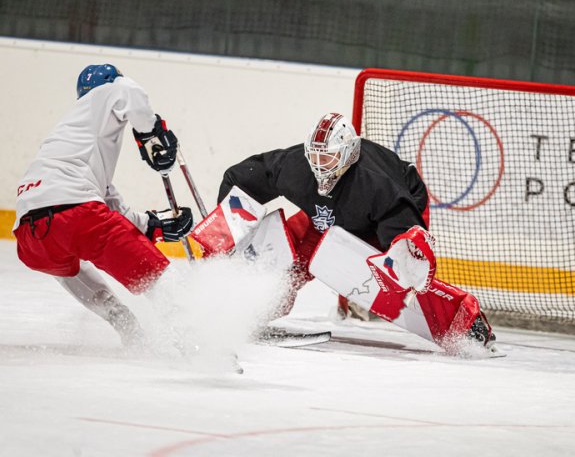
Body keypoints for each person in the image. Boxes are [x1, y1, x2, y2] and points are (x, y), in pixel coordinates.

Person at [217, 112, 495, 348]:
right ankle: (247, 312)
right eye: (314, 157)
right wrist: (225, 231)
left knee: (399, 278)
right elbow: (241, 178)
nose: (317, 167)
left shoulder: (376, 185)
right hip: (328, 214)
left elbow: (401, 226)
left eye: (326, 159)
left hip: (391, 215)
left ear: (348, 153)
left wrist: (399, 253)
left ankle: (467, 324)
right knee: (288, 263)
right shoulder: (296, 166)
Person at [13, 64, 193, 347]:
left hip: (30, 238)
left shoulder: (69, 141)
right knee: (159, 276)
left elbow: (108, 202)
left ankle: (125, 324)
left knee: (72, 271)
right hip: (77, 214)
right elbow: (128, 90)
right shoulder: (103, 94)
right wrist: (152, 135)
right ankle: (198, 340)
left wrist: (152, 226)